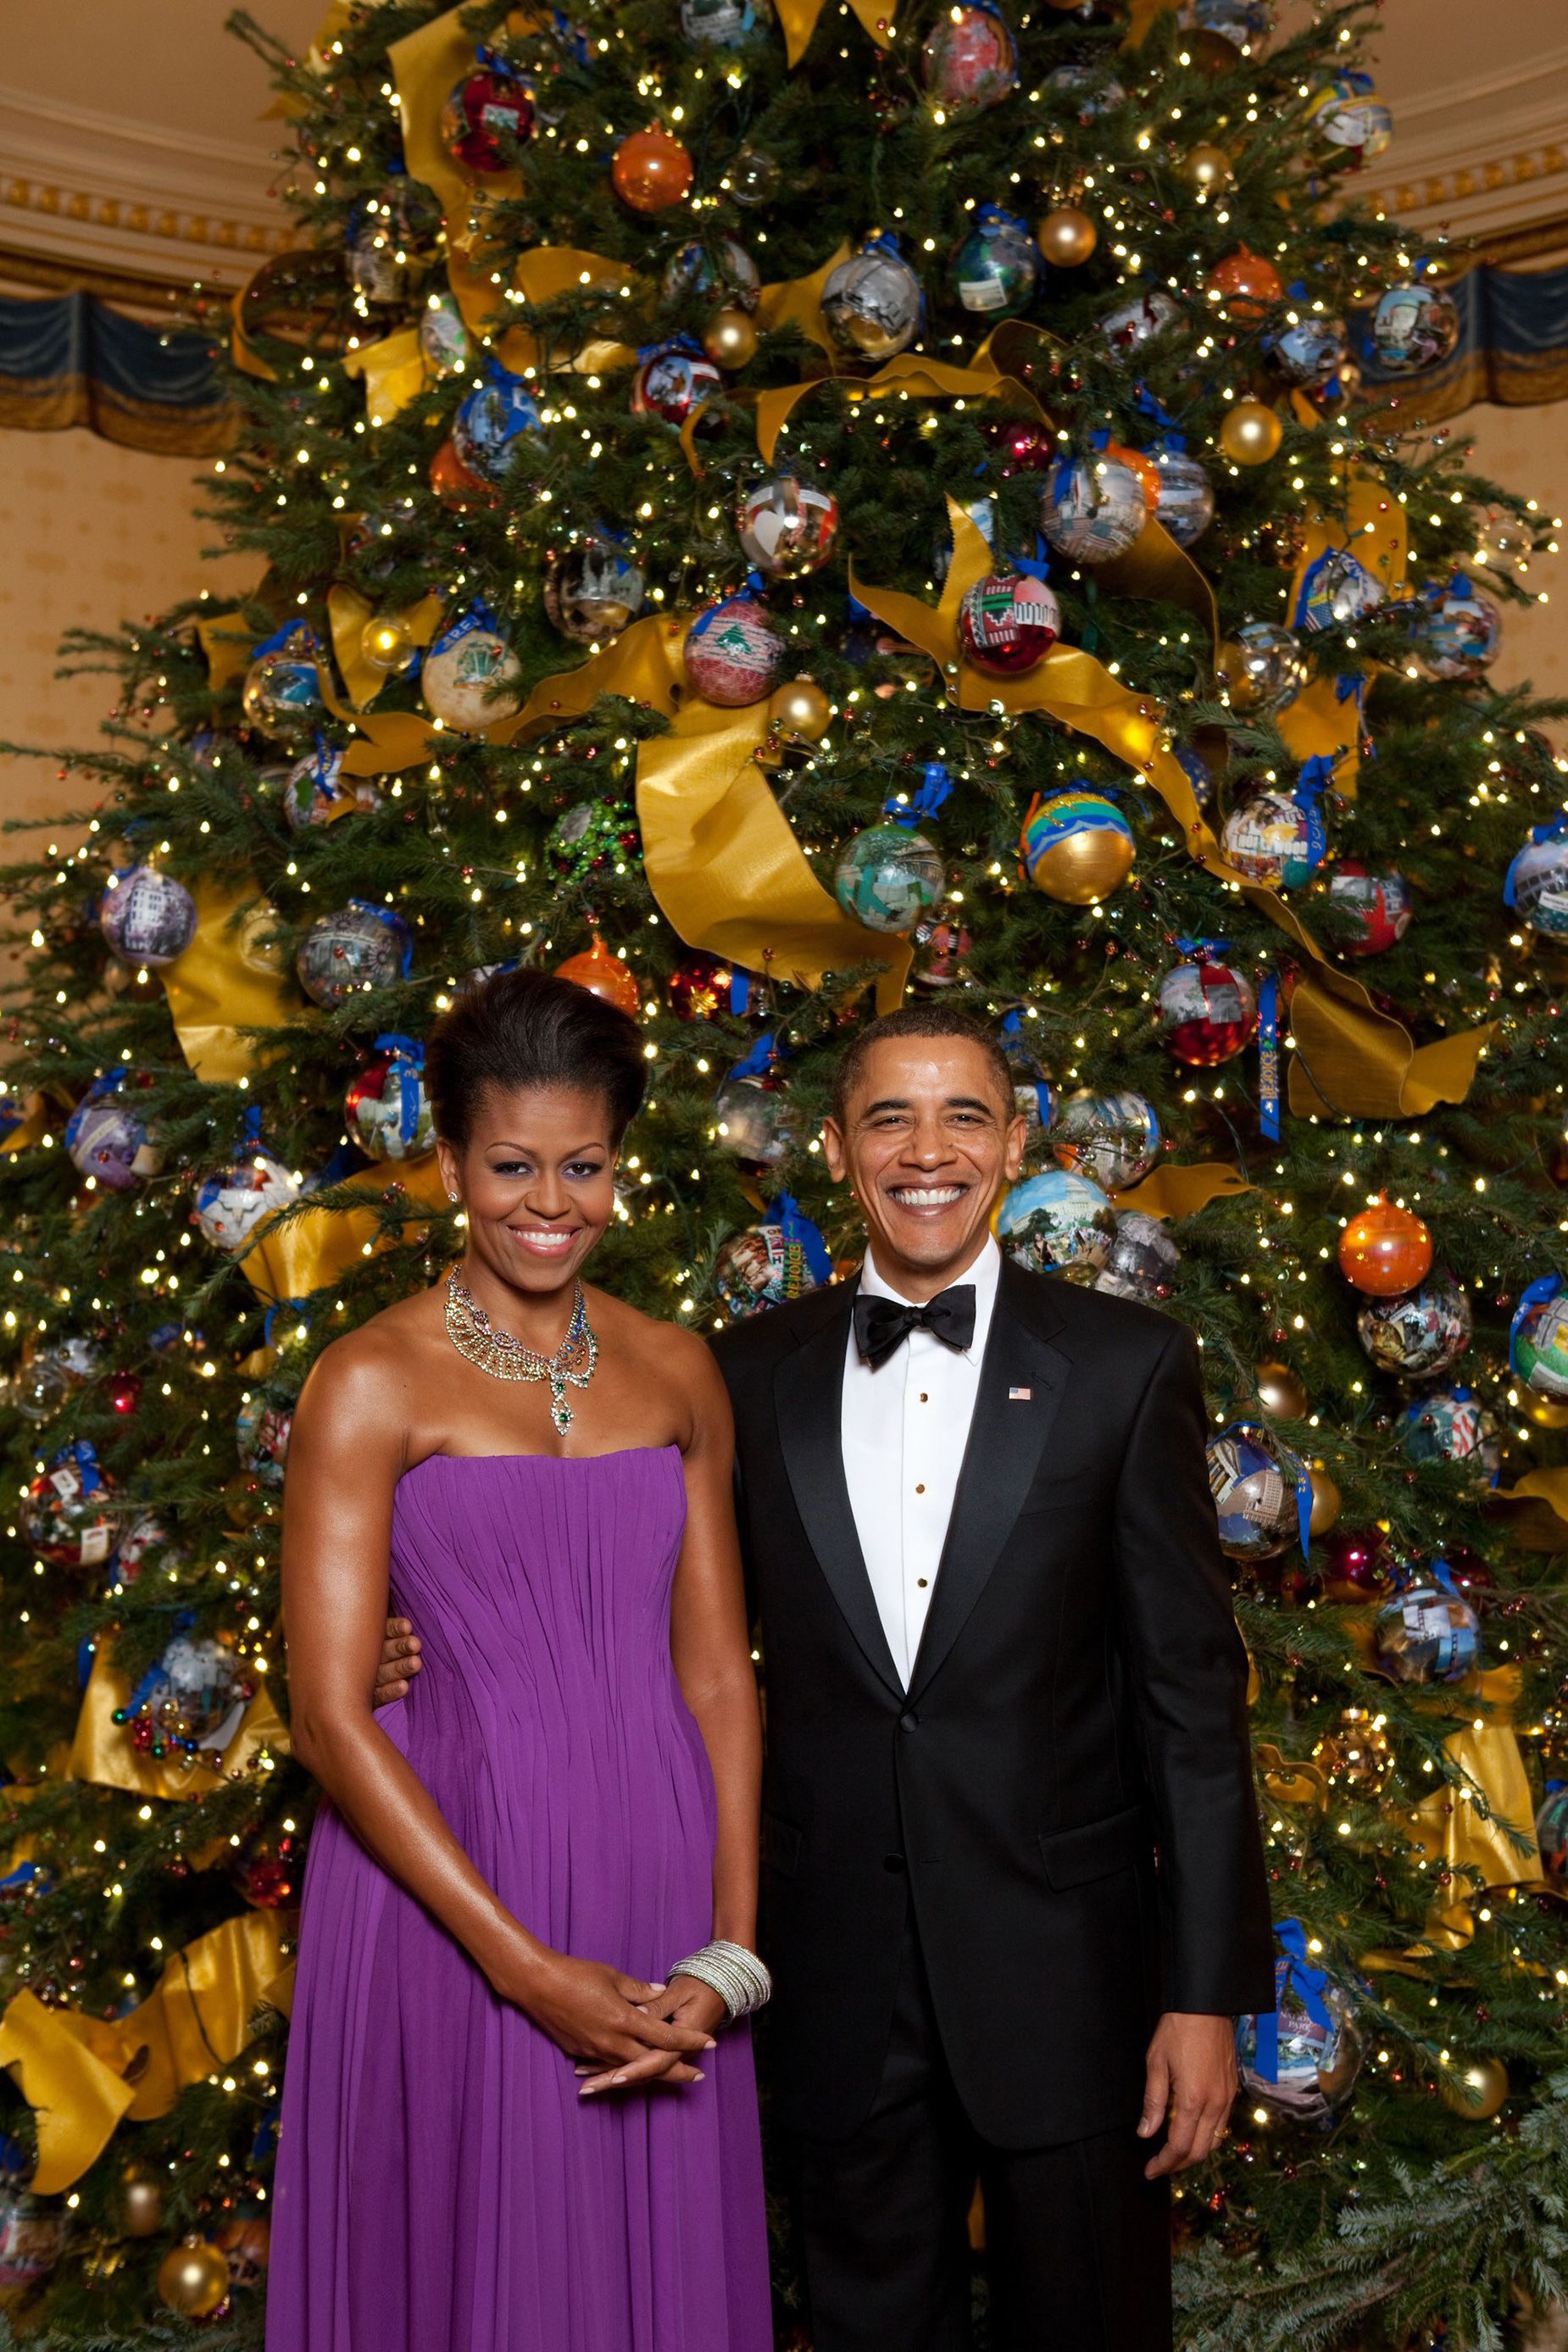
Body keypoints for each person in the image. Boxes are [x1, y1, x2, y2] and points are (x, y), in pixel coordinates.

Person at [376, 1001, 1275, 2350]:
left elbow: (1191, 1708)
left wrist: (1203, 1995)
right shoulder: (738, 1375)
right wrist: (393, 1652)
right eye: (888, 1117)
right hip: (833, 1980)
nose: (928, 1150)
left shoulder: (1122, 1368)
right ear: (838, 1147)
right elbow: (636, 1615)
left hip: (1066, 1983)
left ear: (1015, 1140)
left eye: (964, 1115)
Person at [270, 969, 771, 2352]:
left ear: (620, 1166)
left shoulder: (678, 1370)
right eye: (509, 1166)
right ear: (447, 1167)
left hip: (661, 1890)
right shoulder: (368, 1379)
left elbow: (721, 1675)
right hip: (454, 1897)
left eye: (583, 1165)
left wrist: (731, 1949)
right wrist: (519, 1966)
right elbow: (326, 1712)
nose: (548, 1203)